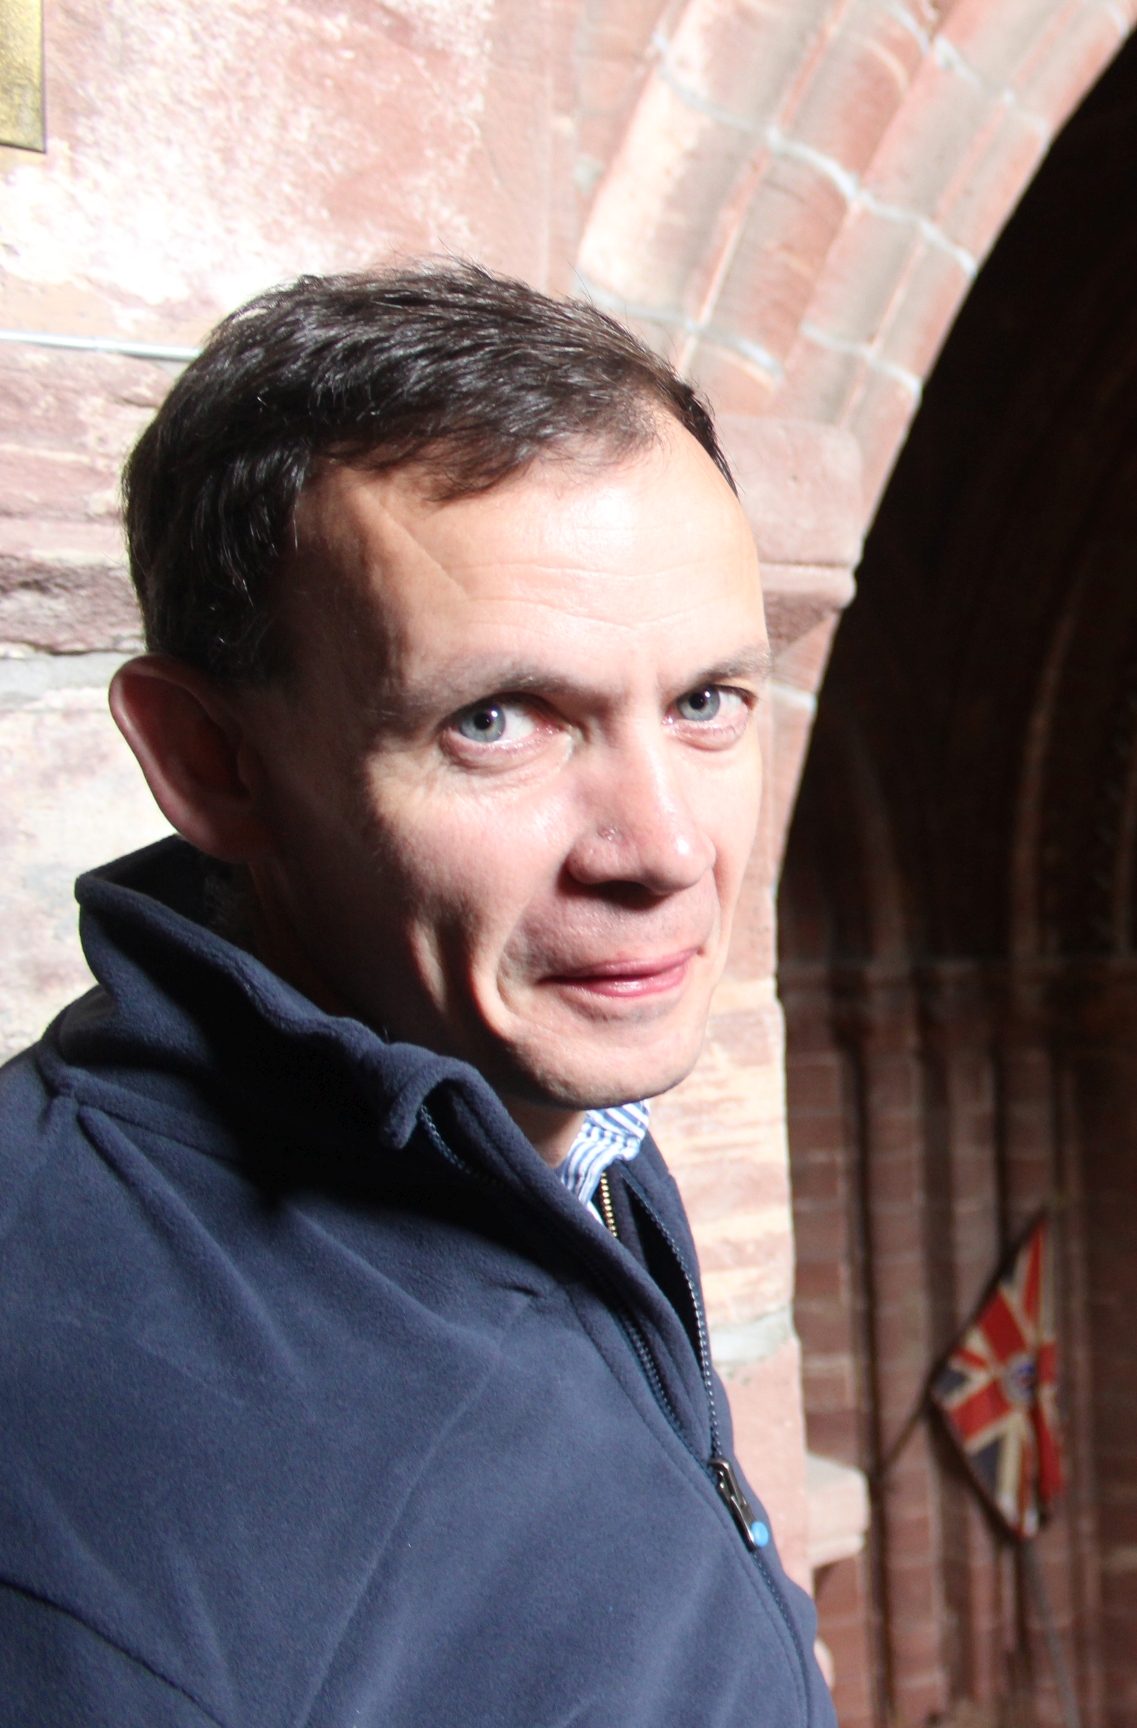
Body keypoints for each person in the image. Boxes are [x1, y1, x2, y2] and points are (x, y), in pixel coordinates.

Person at [0, 262, 835, 1726]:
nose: (664, 851)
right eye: (497, 720)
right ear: (210, 761)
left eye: (706, 701)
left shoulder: (528, 1096)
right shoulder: (75, 1459)